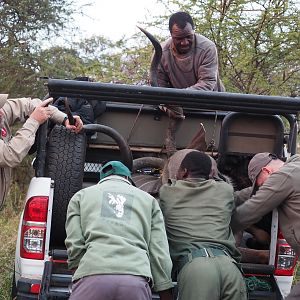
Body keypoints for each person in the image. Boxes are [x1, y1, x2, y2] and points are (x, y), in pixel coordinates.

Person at [65, 161, 173, 300]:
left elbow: (74, 241)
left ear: (102, 179)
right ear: (128, 178)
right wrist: (164, 287)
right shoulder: (149, 201)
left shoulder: (81, 196)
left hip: (93, 274)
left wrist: (79, 267)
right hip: (135, 279)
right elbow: (158, 249)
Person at [159, 151, 247, 300]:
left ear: (184, 172)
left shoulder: (167, 192)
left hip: (196, 270)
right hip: (230, 268)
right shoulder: (225, 190)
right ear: (211, 172)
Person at [151, 11, 225, 155]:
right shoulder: (161, 52)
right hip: (178, 113)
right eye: (179, 38)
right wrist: (169, 107)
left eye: (188, 37)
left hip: (212, 111)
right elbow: (158, 89)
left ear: (194, 31)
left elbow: (207, 84)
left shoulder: (207, 48)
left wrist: (176, 100)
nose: (184, 42)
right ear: (171, 35)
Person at [231, 152, 300, 300]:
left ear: (266, 171)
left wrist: (214, 229)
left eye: (260, 184)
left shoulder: (284, 176)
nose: (262, 188)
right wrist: (217, 195)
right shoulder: (293, 171)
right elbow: (248, 194)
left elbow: (250, 211)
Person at [0, 94, 83, 209]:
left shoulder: (1, 112)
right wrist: (34, 121)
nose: (1, 111)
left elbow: (32, 104)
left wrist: (65, 118)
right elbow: (9, 155)